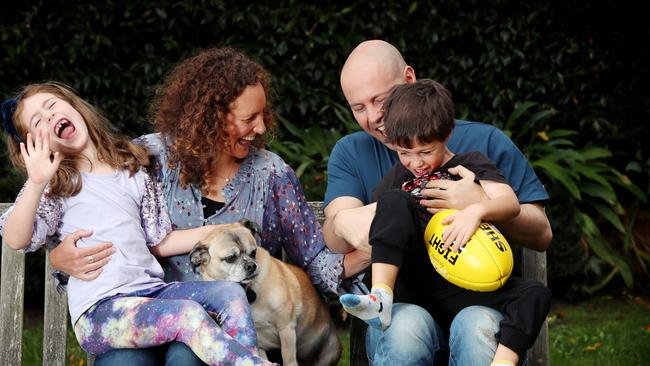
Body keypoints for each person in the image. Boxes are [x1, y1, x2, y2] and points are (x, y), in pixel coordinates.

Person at [46, 47, 352, 365]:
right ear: (211, 118)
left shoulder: (271, 175)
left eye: (263, 115)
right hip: (142, 318)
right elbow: (88, 206)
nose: (262, 128)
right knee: (121, 362)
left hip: (234, 333)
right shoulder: (144, 159)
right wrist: (60, 258)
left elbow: (314, 259)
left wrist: (372, 251)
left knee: (188, 357)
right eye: (249, 118)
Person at [0, 82, 274, 366]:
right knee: (188, 315)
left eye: (52, 106)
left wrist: (219, 231)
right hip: (102, 311)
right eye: (38, 122)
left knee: (229, 292)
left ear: (74, 106)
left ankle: (248, 359)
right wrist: (36, 180)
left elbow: (159, 241)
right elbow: (15, 238)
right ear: (33, 146)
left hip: (151, 293)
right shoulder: (55, 186)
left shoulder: (131, 169)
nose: (49, 117)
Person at [322, 40, 553, 365]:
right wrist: (350, 220)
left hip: (478, 298)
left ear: (409, 80)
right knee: (406, 329)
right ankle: (382, 298)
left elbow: (541, 233)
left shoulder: (482, 144)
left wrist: (477, 203)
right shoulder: (351, 152)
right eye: (358, 107)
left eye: (380, 100)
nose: (373, 117)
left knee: (476, 325)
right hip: (407, 303)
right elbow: (335, 234)